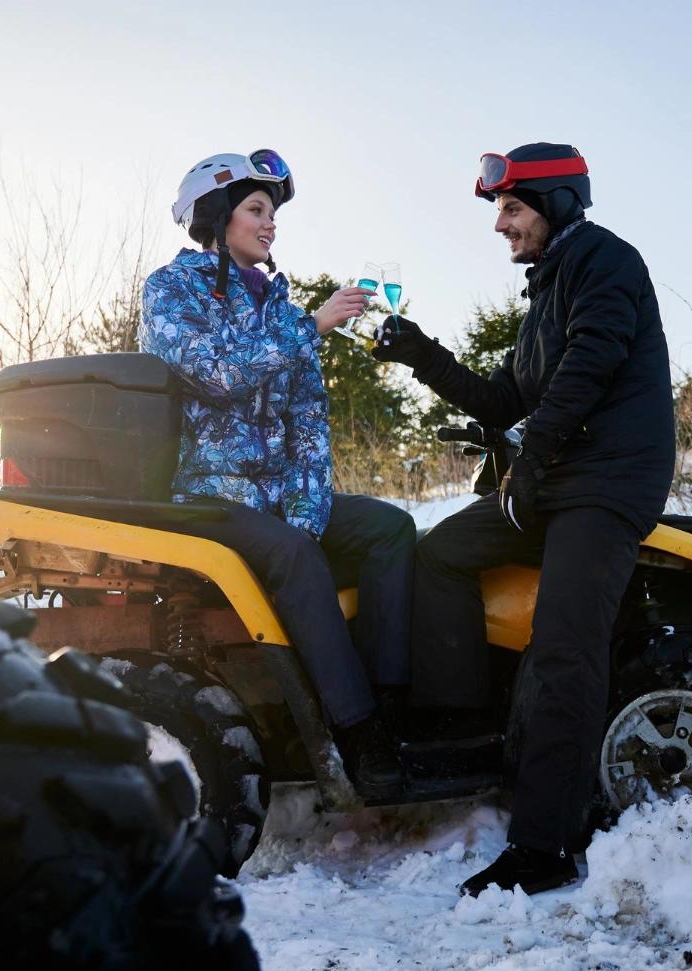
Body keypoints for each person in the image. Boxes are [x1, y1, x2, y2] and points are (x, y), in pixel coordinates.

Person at [371, 143, 675, 895]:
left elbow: (593, 361)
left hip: (606, 484)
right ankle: (459, 725)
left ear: (559, 202)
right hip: (553, 480)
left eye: (512, 208)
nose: (500, 225)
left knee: (564, 645)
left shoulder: (607, 260)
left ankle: (544, 846)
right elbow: (503, 396)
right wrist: (421, 354)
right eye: (499, 210)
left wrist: (534, 456)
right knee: (440, 552)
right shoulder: (543, 296)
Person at [140, 150, 412, 797]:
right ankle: (359, 735)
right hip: (209, 496)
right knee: (291, 554)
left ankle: (393, 705)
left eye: (273, 214)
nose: (270, 225)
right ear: (215, 215)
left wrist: (309, 512)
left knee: (390, 529)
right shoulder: (171, 290)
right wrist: (311, 325)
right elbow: (218, 373)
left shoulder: (280, 307)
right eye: (256, 210)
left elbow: (308, 427)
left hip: (277, 500)